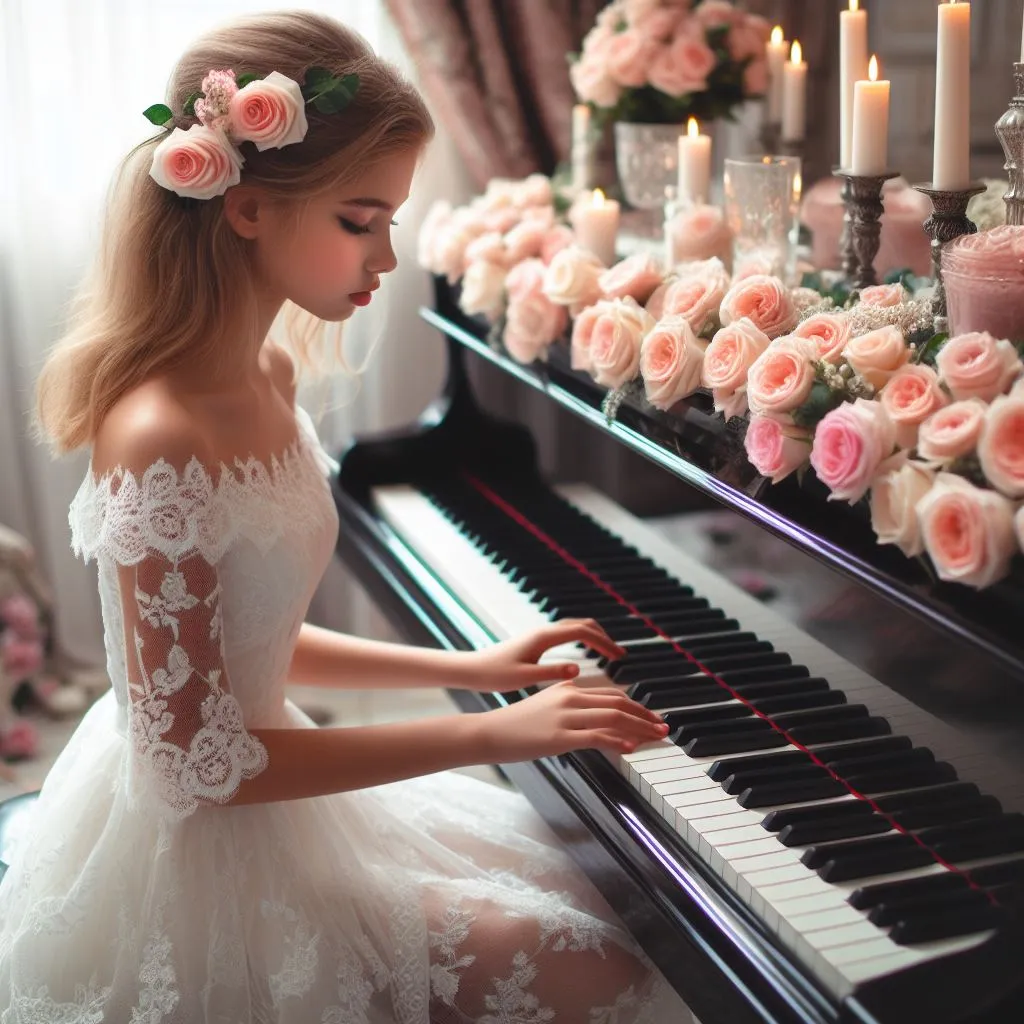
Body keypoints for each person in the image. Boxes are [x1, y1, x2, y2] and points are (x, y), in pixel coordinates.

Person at [0, 11, 689, 1022]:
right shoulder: (158, 431)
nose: (383, 258)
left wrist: (479, 670)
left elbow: (257, 645)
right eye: (357, 221)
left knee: (600, 905)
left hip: (284, 791)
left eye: (390, 224)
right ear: (244, 209)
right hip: (205, 854)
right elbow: (195, 763)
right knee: (592, 960)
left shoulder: (269, 370)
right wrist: (489, 737)